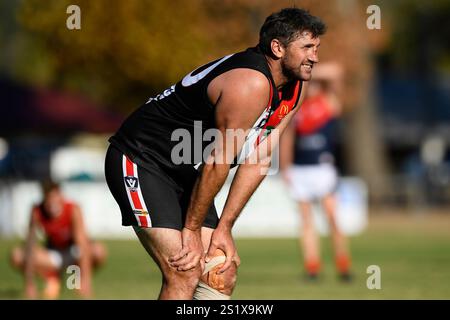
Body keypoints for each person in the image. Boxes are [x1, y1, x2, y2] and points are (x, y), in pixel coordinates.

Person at [105, 8, 326, 299]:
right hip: (140, 159)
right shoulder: (250, 83)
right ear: (277, 47)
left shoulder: (295, 88)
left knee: (220, 274)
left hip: (184, 171)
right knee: (183, 270)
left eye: (317, 48)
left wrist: (225, 228)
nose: (315, 57)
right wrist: (192, 230)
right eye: (307, 48)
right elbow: (218, 162)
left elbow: (259, 159)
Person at [280, 62, 352, 281]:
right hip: (300, 170)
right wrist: (285, 167)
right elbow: (287, 138)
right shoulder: (296, 106)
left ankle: (343, 266)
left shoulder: (328, 101)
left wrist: (306, 71)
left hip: (323, 169)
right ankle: (312, 268)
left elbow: (337, 71)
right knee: (306, 221)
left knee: (332, 218)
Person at [10, 180, 107, 299]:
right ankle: (52, 277)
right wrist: (29, 284)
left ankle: (76, 279)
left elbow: (82, 244)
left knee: (98, 251)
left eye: (55, 198)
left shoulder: (72, 209)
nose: (52, 203)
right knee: (17, 256)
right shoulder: (37, 211)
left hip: (73, 252)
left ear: (61, 196)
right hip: (52, 254)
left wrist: (86, 282)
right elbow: (30, 244)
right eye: (48, 199)